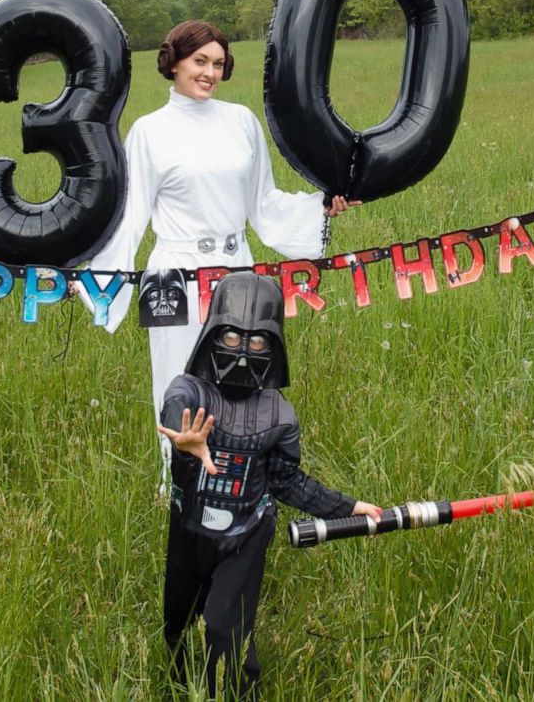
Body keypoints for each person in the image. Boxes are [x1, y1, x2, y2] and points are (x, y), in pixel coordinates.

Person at [86, 20, 358, 490]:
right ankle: (180, 488)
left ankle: (244, 484)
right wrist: (96, 281)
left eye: (217, 63)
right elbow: (128, 218)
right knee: (179, 384)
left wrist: (320, 205)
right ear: (173, 63)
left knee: (246, 377)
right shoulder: (149, 133)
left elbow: (264, 202)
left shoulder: (241, 122)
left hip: (238, 270)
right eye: (199, 62)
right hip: (176, 278)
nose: (210, 72)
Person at [156, 272, 379, 700]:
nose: (243, 352)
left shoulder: (279, 414)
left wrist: (348, 507)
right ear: (213, 334)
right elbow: (176, 410)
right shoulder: (189, 391)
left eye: (257, 342)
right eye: (233, 338)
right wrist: (185, 443)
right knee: (177, 626)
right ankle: (179, 690)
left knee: (226, 628)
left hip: (245, 532)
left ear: (273, 344)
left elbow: (287, 481)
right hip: (189, 529)